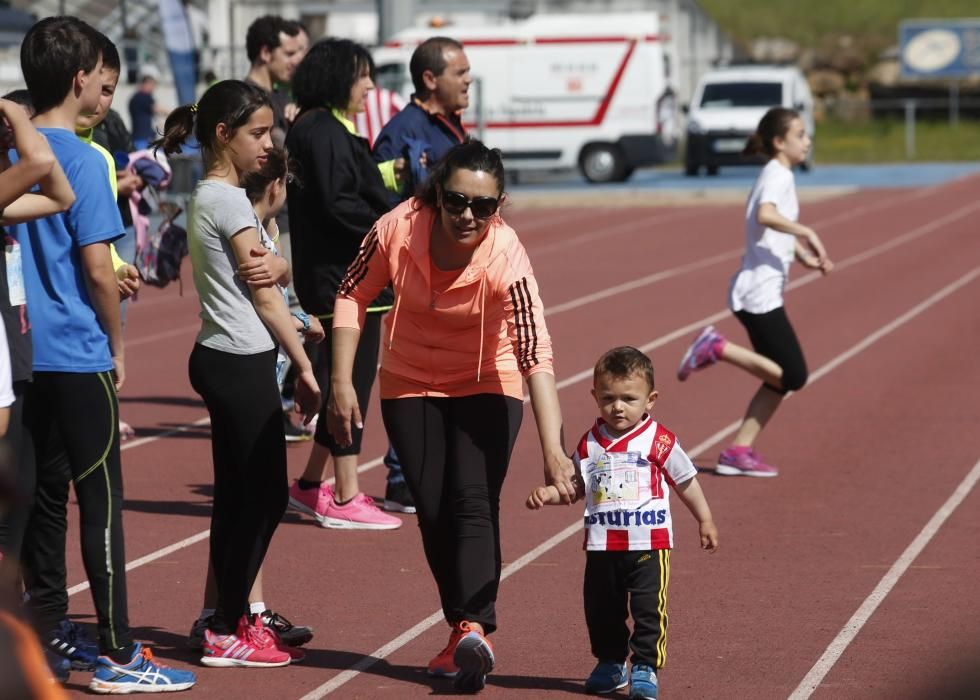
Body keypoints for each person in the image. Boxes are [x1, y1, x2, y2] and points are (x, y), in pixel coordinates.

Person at [327, 140, 577, 691]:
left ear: (500, 205)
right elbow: (351, 292)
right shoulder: (398, 228)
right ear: (438, 193)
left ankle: (475, 627)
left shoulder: (505, 254)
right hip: (410, 379)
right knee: (433, 509)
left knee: (472, 500)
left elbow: (536, 351)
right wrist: (342, 381)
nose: (468, 216)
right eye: (457, 201)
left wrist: (553, 448)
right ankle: (460, 630)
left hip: (489, 380)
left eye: (483, 207)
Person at [10, 17, 196, 692]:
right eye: (103, 79)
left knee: (39, 503)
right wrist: (116, 347)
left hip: (21, 355)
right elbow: (97, 269)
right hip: (77, 349)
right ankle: (119, 654)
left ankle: (50, 631)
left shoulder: (9, 149)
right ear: (81, 76)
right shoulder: (87, 160)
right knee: (103, 503)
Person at [156, 79, 320, 668]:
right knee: (264, 498)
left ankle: (222, 618)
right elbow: (266, 289)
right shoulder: (227, 200)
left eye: (270, 131)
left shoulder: (214, 197)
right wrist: (302, 365)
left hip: (223, 355)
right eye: (256, 133)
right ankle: (227, 625)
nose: (267, 143)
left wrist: (276, 264)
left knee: (236, 498)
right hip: (238, 358)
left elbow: (265, 271)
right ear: (222, 135)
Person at [527, 346, 718, 700]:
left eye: (629, 398)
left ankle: (645, 667)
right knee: (601, 609)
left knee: (648, 610)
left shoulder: (659, 441)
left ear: (650, 400)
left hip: (649, 544)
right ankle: (611, 663)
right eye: (608, 398)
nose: (618, 407)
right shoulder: (589, 443)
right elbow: (574, 487)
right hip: (602, 547)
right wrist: (550, 494)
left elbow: (686, 480)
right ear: (595, 397)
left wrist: (704, 519)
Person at [676, 107, 833, 477]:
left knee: (779, 379)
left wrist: (803, 257)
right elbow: (765, 215)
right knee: (793, 375)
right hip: (757, 295)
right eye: (800, 134)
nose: (807, 141)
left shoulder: (781, 175)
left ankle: (738, 450)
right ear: (779, 142)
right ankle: (716, 347)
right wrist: (805, 232)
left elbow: (771, 230)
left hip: (762, 291)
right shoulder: (776, 175)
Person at [284, 38, 401, 530]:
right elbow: (338, 204)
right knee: (349, 386)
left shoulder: (322, 128)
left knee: (348, 382)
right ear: (338, 77)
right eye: (363, 76)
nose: (371, 86)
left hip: (343, 276)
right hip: (342, 281)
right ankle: (347, 493)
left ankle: (312, 485)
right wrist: (393, 230)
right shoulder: (324, 130)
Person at [371, 36, 472, 514]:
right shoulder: (401, 133)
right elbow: (385, 209)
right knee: (414, 376)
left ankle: (428, 466)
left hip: (457, 275)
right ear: (430, 79)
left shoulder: (452, 128)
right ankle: (401, 476)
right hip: (416, 277)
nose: (468, 82)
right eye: (460, 74)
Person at [244, 15, 304, 146]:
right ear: (265, 53)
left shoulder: (283, 97)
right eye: (289, 54)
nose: (296, 61)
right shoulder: (245, 99)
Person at [127, 72, 163, 150]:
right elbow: (157, 109)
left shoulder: (135, 98)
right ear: (146, 84)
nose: (153, 88)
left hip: (138, 138)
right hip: (142, 140)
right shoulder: (143, 97)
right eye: (152, 85)